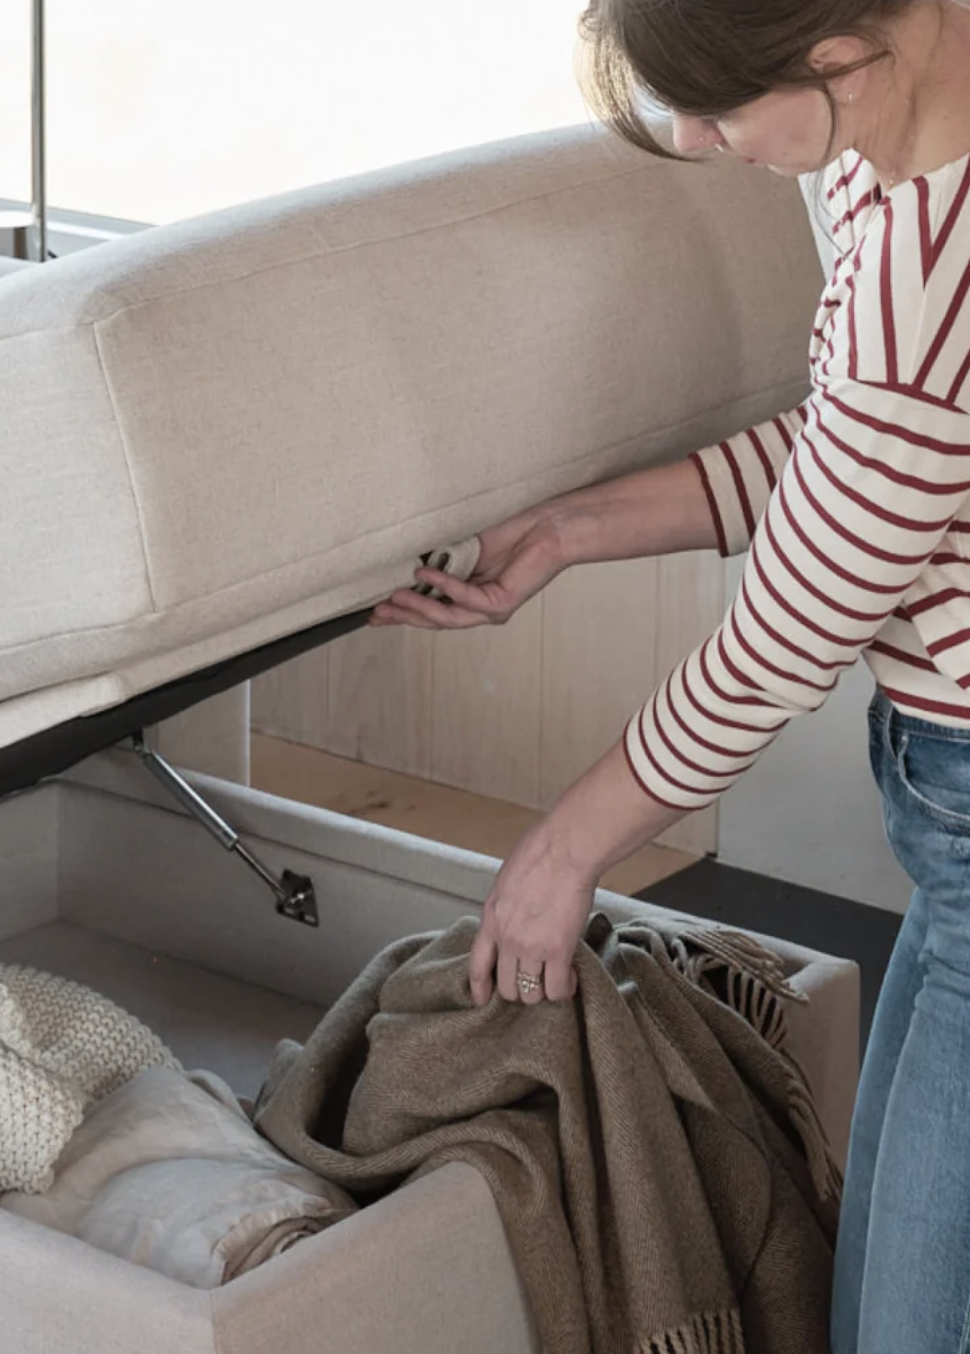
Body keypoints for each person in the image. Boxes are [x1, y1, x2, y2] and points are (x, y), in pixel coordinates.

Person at [372, 2, 970, 1350]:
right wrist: (572, 528)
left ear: (836, 56)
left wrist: (563, 847)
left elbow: (793, 626)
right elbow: (859, 451)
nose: (702, 142)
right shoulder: (893, 141)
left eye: (717, 112)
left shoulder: (935, 261)